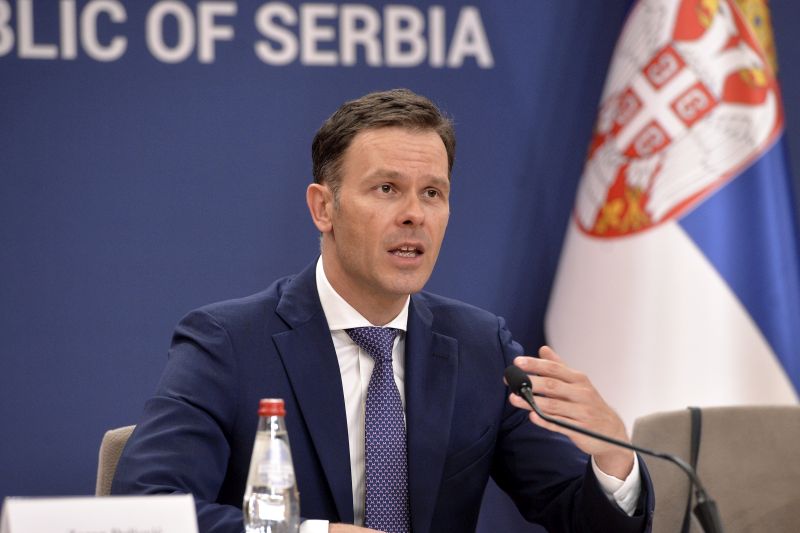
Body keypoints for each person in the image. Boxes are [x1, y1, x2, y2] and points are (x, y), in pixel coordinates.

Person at [112, 88, 654, 533]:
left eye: (432, 193)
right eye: (387, 188)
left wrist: (613, 457)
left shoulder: (480, 348)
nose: (414, 215)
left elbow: (578, 515)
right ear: (323, 207)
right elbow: (146, 510)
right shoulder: (229, 343)